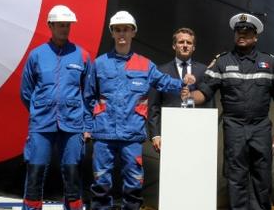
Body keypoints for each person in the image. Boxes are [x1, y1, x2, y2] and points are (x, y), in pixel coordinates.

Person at [84, 11, 195, 210]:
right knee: (101, 184)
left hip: (132, 135)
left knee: (134, 184)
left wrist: (183, 85)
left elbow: (163, 82)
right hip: (103, 134)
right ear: (112, 33)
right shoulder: (99, 64)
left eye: (126, 29)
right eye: (117, 30)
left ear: (133, 33)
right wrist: (87, 126)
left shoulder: (145, 65)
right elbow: (89, 97)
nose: (122, 34)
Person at [189, 13, 274, 210]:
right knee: (236, 181)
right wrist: (187, 97)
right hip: (234, 128)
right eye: (238, 32)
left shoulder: (269, 63)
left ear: (255, 36)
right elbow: (204, 93)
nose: (241, 35)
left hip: (261, 128)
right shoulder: (222, 62)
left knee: (262, 180)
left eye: (247, 32)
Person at [20, 5, 91, 210]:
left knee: (72, 176)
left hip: (72, 125)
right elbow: (26, 91)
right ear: (50, 25)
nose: (65, 29)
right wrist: (38, 110)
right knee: (34, 174)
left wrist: (86, 125)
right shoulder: (36, 56)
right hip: (42, 125)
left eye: (67, 25)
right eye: (60, 25)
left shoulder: (82, 56)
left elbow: (89, 95)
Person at [147, 27, 214, 152]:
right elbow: (153, 106)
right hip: (169, 131)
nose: (185, 45)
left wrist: (209, 133)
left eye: (189, 43)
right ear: (174, 45)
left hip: (198, 131)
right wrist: (155, 134)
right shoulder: (160, 71)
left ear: (193, 47)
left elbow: (209, 103)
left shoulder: (204, 71)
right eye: (181, 42)